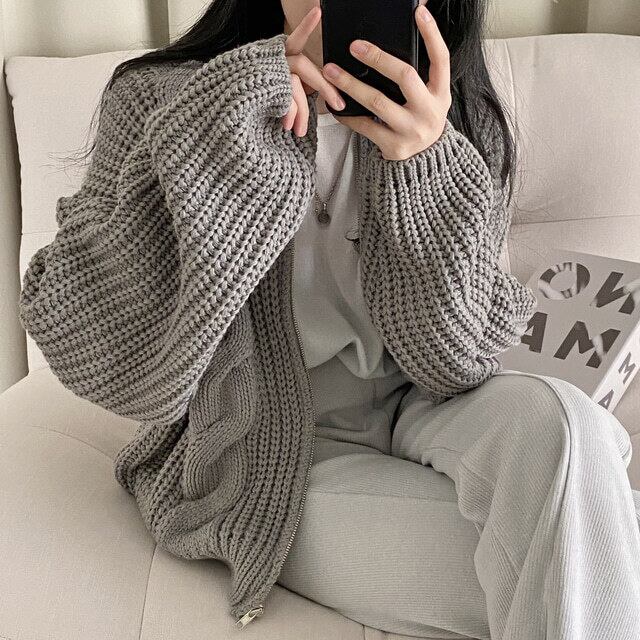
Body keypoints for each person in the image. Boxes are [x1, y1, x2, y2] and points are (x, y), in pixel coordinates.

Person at [18, 0, 640, 638]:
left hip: (428, 404)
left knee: (567, 428)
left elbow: (460, 365)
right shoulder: (163, 96)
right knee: (587, 555)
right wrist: (216, 143)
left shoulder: (451, 109)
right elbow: (102, 357)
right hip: (266, 447)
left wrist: (425, 165)